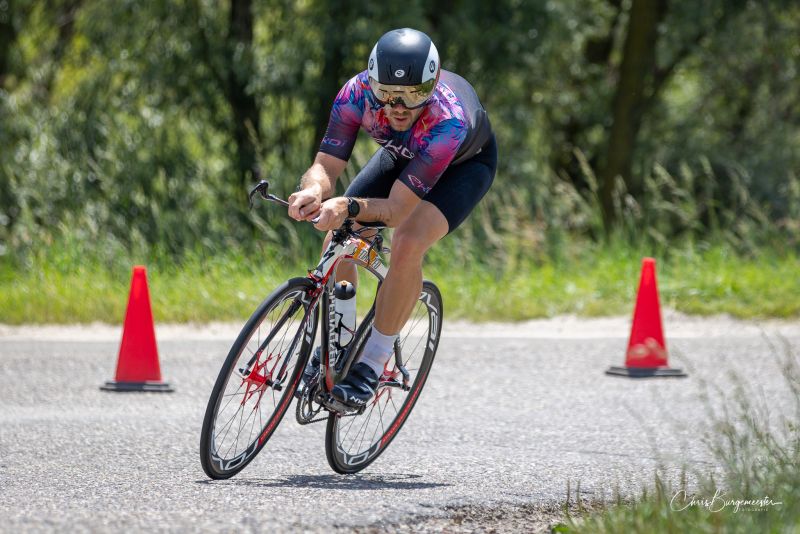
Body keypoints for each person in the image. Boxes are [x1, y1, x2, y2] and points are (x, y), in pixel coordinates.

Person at [288, 28, 497, 408]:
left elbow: (397, 211)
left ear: (432, 86)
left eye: (414, 95)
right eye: (386, 93)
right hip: (405, 153)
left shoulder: (447, 121)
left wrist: (346, 206)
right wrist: (314, 191)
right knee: (339, 238)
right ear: (371, 82)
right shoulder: (355, 94)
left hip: (463, 165)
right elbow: (326, 165)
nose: (398, 106)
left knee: (408, 241)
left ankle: (372, 363)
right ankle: (339, 342)